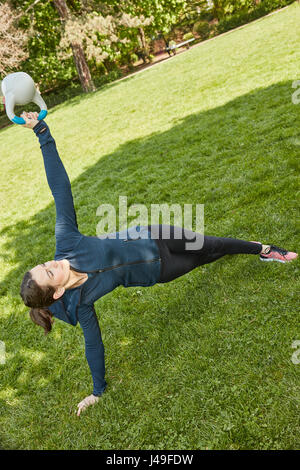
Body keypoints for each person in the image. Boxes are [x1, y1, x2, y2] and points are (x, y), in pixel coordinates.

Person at [19, 111, 297, 416]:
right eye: (49, 272)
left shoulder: (67, 243)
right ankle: (228, 255)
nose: (52, 263)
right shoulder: (80, 302)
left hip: (154, 235)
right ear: (56, 293)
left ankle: (264, 249)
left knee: (209, 243)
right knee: (200, 260)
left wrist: (42, 131)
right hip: (157, 271)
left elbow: (60, 189)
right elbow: (94, 345)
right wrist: (97, 392)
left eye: (45, 263)